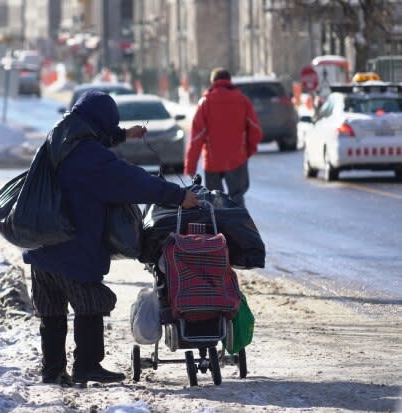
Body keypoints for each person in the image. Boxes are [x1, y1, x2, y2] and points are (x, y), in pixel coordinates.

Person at [23, 90, 200, 385]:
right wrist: (179, 196)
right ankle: (87, 366)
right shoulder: (92, 160)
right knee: (90, 303)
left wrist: (122, 135)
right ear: (100, 123)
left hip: (43, 244)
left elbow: (90, 137)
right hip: (74, 245)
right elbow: (133, 181)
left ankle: (52, 369)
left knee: (51, 310)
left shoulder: (59, 139)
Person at [183, 68, 262, 207]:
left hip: (213, 161)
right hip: (237, 158)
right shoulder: (242, 100)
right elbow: (255, 130)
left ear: (213, 82)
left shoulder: (205, 102)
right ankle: (238, 226)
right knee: (237, 197)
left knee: (215, 200)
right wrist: (247, 151)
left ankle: (218, 227)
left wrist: (190, 167)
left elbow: (196, 137)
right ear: (229, 81)